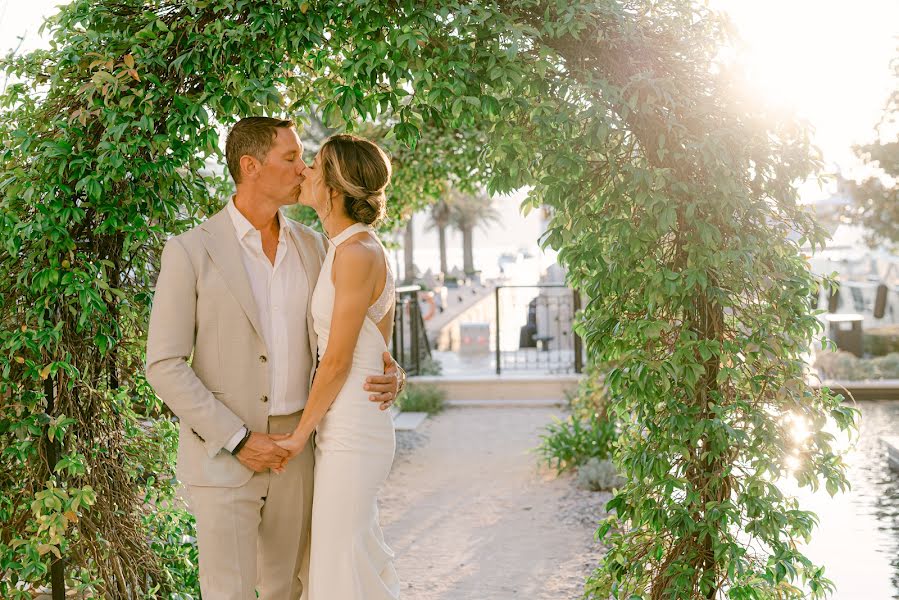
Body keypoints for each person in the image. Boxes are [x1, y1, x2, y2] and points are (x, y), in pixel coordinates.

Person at [145, 117, 404, 600]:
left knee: (294, 589)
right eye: (290, 158)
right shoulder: (190, 251)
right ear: (251, 166)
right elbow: (163, 364)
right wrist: (238, 439)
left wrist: (390, 369)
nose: (303, 169)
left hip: (300, 455)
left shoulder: (317, 247)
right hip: (224, 456)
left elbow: (353, 333)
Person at [274, 134, 400, 599]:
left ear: (332, 188)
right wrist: (396, 374)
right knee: (339, 554)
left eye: (314, 165)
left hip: (351, 428)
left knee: (339, 559)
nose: (303, 170)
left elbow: (340, 360)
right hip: (347, 421)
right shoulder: (349, 248)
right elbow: (382, 350)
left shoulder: (356, 254)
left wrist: (298, 434)